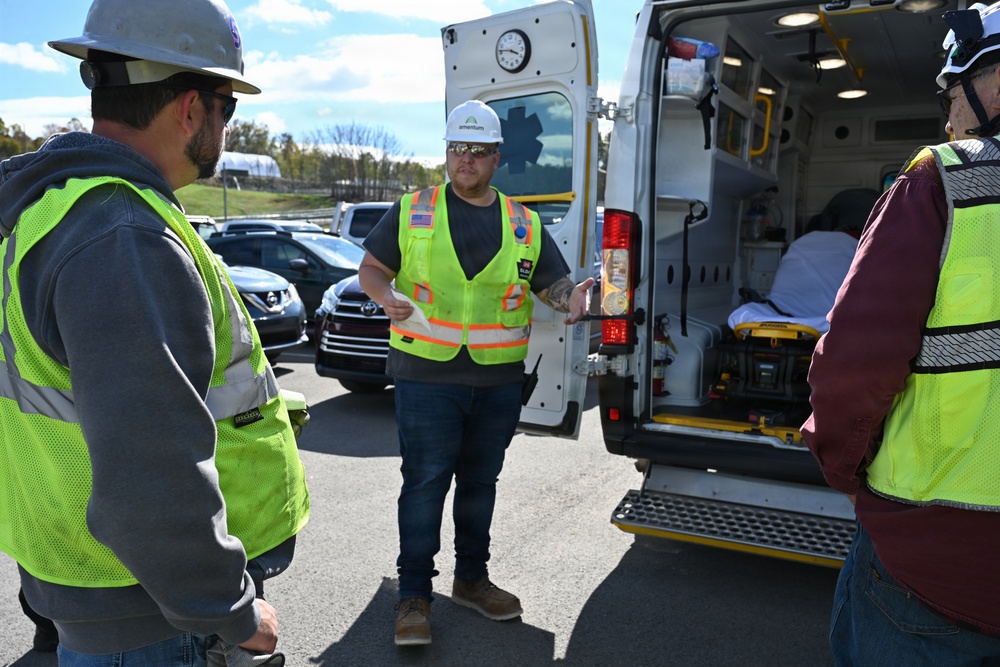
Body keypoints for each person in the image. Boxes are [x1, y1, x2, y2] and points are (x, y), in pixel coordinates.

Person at [0, 0, 310, 664]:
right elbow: (148, 475)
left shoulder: (56, 210)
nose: (228, 127)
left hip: (101, 587)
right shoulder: (124, 236)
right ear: (192, 109)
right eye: (229, 106)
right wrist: (229, 608)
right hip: (151, 616)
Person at [802, 3, 1000, 663]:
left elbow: (852, 367)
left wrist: (845, 467)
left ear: (991, 84)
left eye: (953, 94)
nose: (949, 118)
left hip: (934, 565)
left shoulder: (943, 182)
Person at [358, 99, 594, 646]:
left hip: (496, 381)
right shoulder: (412, 209)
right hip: (424, 375)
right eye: (457, 149)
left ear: (496, 158)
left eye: (478, 151)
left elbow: (550, 286)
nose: (465, 160)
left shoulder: (524, 222)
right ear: (447, 152)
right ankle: (414, 594)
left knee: (479, 484)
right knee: (423, 485)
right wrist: (383, 294)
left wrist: (571, 300)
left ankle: (471, 580)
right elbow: (371, 269)